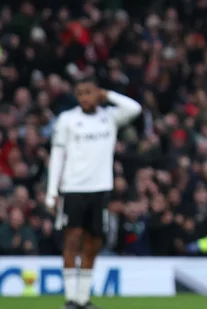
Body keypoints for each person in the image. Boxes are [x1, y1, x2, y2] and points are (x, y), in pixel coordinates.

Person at [45, 75, 142, 309]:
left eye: (90, 93)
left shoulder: (109, 118)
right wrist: (51, 191)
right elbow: (57, 156)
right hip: (73, 189)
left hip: (100, 189)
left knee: (93, 243)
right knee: (72, 240)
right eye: (81, 94)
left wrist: (109, 94)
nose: (86, 98)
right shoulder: (67, 120)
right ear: (77, 97)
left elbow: (135, 108)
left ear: (96, 94)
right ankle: (70, 298)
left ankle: (83, 298)